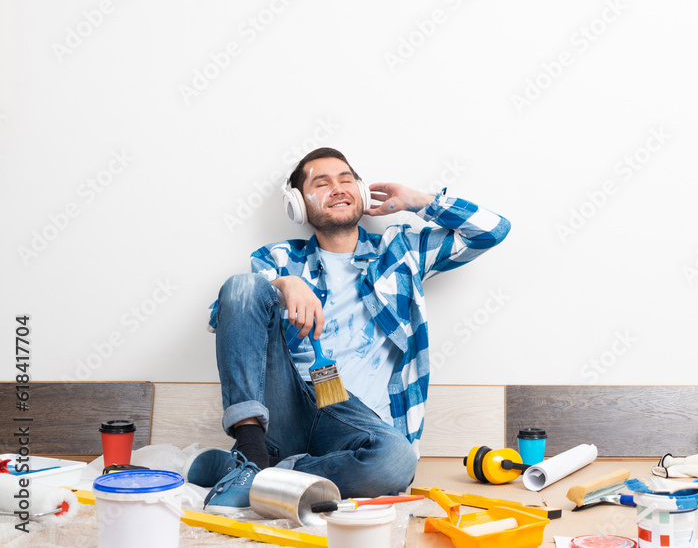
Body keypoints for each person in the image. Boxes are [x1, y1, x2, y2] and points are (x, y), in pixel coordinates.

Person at [184, 148, 510, 512]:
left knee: (398, 463)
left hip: (361, 429)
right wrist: (283, 284)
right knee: (243, 284)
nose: (337, 188)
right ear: (298, 204)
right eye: (321, 183)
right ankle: (250, 446)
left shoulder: (400, 251)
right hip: (291, 407)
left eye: (346, 180)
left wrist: (418, 201)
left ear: (362, 192)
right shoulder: (277, 258)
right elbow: (224, 315)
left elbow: (493, 230)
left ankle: (256, 470)